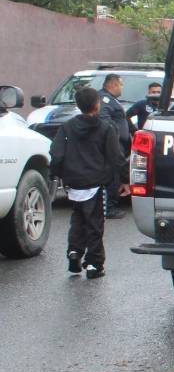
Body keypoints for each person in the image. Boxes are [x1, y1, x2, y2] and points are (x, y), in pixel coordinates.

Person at [50, 87, 129, 279]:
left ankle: (74, 252)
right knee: (95, 223)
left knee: (78, 218)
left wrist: (57, 175)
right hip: (96, 181)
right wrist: (125, 180)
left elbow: (56, 152)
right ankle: (94, 264)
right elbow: (115, 157)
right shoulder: (105, 128)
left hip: (74, 181)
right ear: (97, 105)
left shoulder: (67, 126)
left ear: (78, 105)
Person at [98, 73, 130, 219]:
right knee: (112, 176)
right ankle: (109, 207)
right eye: (121, 84)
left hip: (120, 145)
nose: (122, 87)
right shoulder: (104, 99)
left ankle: (111, 204)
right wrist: (115, 138)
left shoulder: (113, 100)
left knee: (116, 174)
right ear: (113, 85)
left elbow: (124, 120)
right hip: (113, 145)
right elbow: (105, 119)